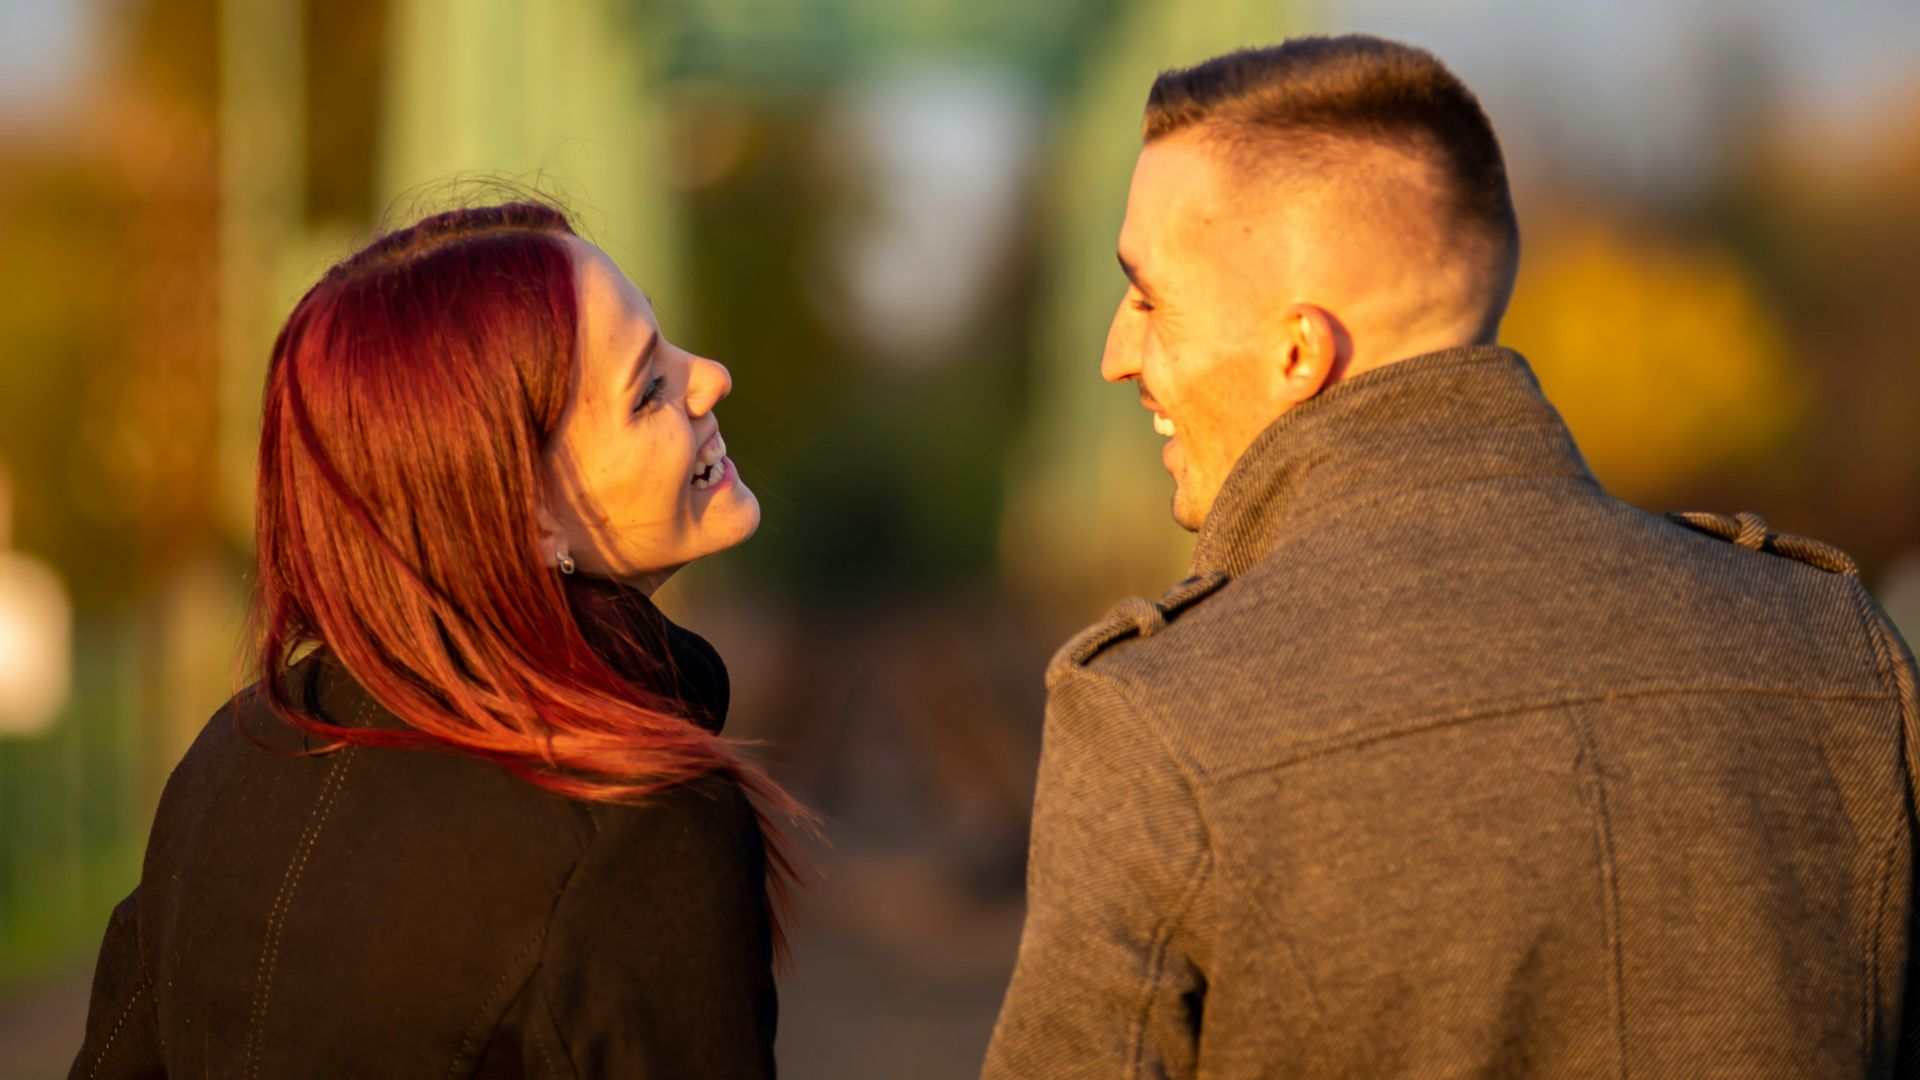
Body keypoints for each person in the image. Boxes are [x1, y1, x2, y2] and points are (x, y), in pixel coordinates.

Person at [986, 35, 1920, 1078]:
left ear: (1300, 351)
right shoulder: (1837, 653)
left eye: (1149, 297)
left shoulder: (1159, 721)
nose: (1118, 353)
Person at [71, 202, 803, 1078]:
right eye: (648, 390)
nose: (711, 377)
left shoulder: (227, 763)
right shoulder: (637, 826)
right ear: (525, 518)